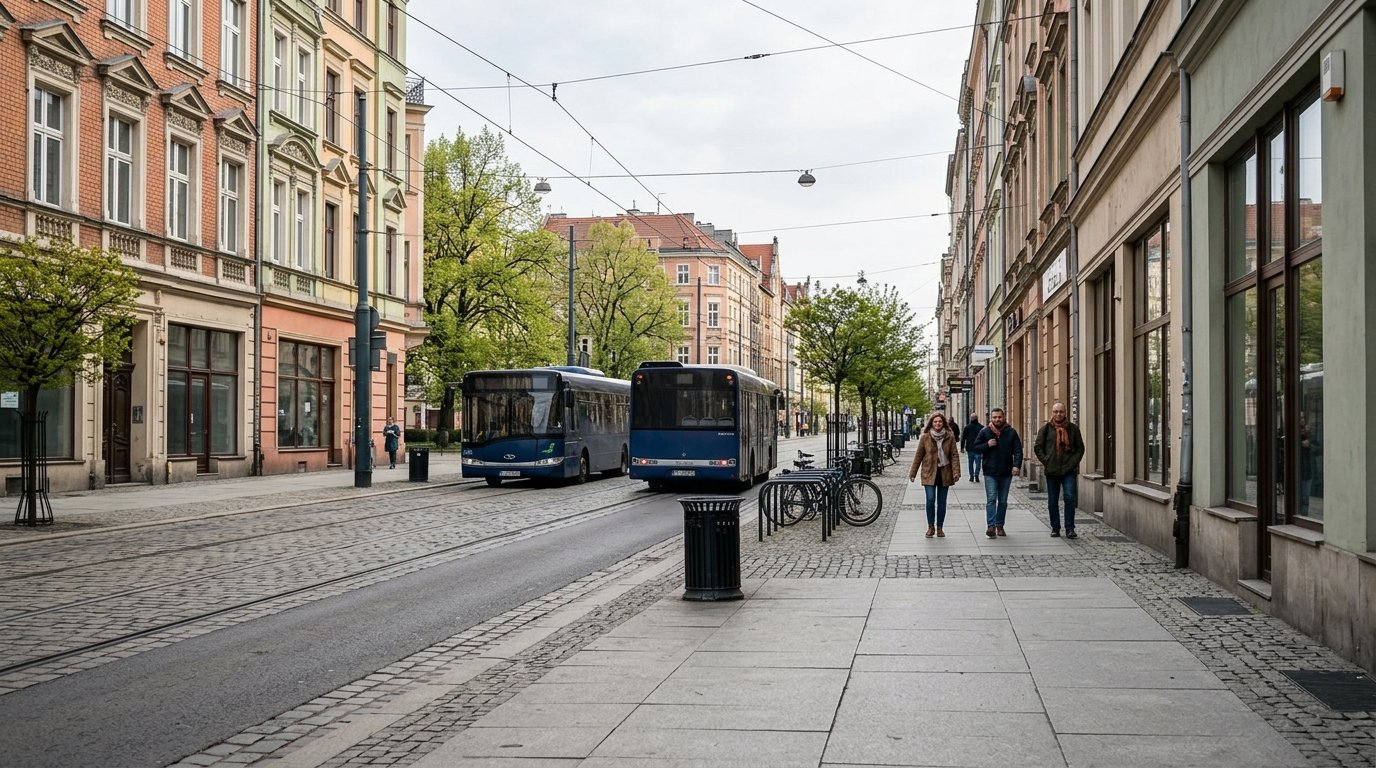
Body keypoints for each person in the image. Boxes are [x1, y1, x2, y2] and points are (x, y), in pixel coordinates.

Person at [1033, 402, 1085, 538]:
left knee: (1069, 497)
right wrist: (1046, 460)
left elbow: (1080, 448)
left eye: (1061, 412)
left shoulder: (1073, 429)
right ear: (1052, 413)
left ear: (1065, 412)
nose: (1058, 414)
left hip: (1068, 470)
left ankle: (1070, 528)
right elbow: (1038, 447)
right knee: (1052, 500)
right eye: (1056, 412)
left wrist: (1072, 463)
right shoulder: (1045, 429)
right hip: (1052, 470)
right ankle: (1055, 527)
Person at [908, 413, 961, 538]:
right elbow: (918, 455)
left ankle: (940, 528)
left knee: (942, 502)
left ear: (943, 423)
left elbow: (954, 455)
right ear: (931, 423)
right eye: (935, 422)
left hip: (944, 473)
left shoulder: (949, 436)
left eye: (940, 422)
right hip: (929, 472)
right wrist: (913, 472)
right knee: (930, 499)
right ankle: (930, 527)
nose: (938, 424)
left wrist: (956, 472)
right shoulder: (925, 437)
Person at [972, 407, 1022, 538]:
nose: (997, 419)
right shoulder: (985, 432)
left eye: (999, 417)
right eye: (994, 417)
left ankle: (1000, 525)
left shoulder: (1011, 432)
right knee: (991, 499)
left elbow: (1018, 450)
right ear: (991, 418)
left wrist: (1016, 465)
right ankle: (991, 526)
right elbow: (976, 448)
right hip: (990, 471)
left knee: (1003, 500)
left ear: (1003, 418)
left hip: (1006, 471)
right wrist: (987, 445)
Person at [962, 414, 984, 483]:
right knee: (978, 463)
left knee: (970, 463)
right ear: (977, 418)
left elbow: (963, 438)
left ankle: (971, 476)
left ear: (971, 419)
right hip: (978, 448)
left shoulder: (967, 427)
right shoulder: (981, 427)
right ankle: (976, 474)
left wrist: (962, 447)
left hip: (970, 448)